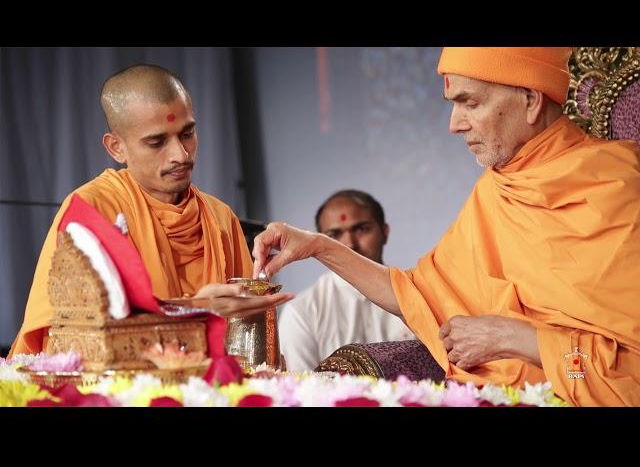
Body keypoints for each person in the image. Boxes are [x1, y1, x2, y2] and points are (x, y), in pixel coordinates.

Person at [252, 48, 640, 406]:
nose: (454, 124)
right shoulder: (497, 192)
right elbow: (418, 297)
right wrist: (319, 247)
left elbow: (629, 373)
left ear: (530, 100)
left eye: (469, 102)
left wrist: (513, 338)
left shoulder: (616, 188)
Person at [10, 64, 292, 356]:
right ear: (116, 147)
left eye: (188, 133)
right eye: (156, 142)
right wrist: (194, 310)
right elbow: (72, 338)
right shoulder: (91, 211)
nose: (181, 155)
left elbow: (243, 341)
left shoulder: (219, 217)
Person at [278, 190, 415, 371]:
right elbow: (302, 392)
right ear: (317, 242)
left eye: (362, 229)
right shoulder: (302, 312)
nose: (350, 244)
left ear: (385, 232)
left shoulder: (416, 297)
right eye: (334, 235)